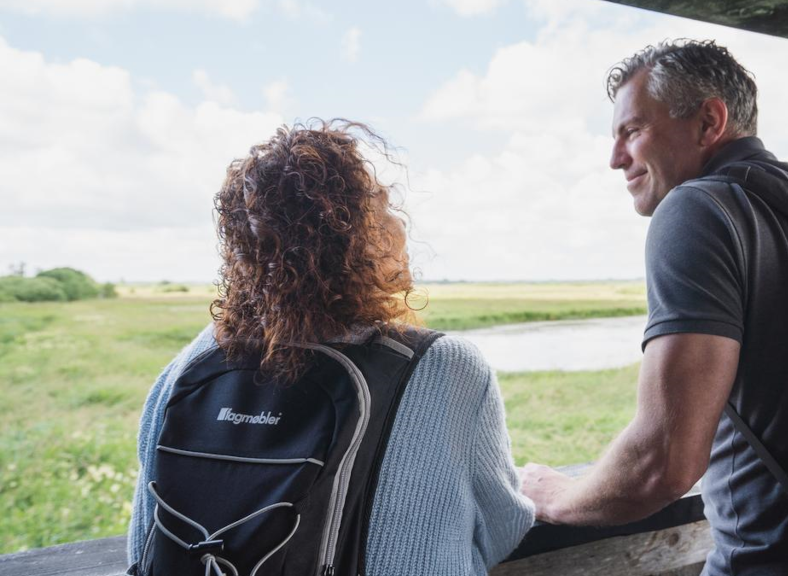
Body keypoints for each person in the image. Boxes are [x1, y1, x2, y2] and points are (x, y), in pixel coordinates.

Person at [127, 120, 534, 575]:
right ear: (360, 239)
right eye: (382, 207)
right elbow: (503, 528)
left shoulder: (189, 366)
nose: (399, 222)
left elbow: (144, 545)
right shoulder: (445, 366)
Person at [520, 40, 788, 575]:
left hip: (772, 562)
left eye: (632, 130)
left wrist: (557, 496)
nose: (615, 159)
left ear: (708, 121)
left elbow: (662, 463)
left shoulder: (696, 209)